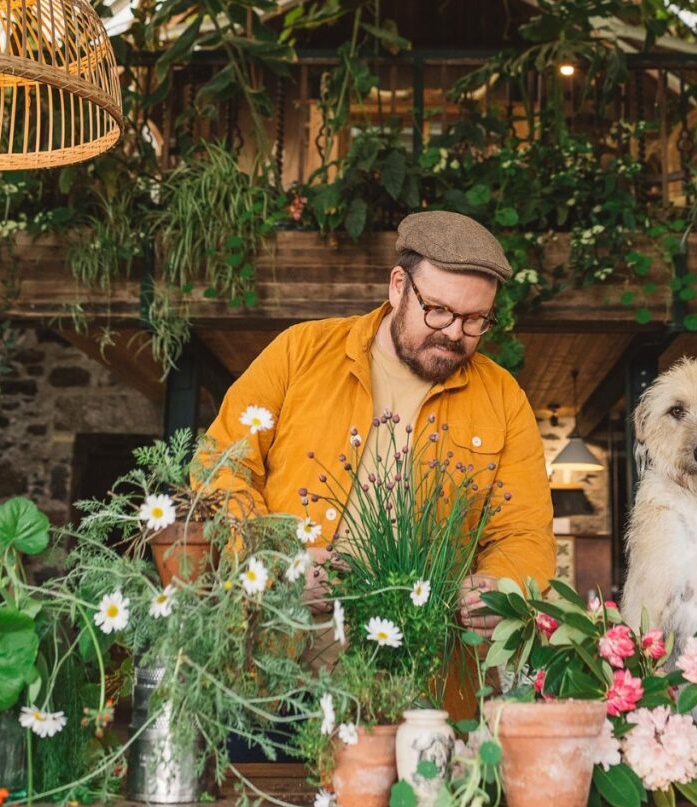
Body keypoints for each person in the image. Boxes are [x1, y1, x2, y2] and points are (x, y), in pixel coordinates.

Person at [198, 210, 555, 668]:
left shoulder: (503, 398)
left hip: (423, 675)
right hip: (270, 665)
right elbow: (221, 466)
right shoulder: (300, 351)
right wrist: (275, 563)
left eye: (475, 320)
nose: (453, 333)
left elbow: (524, 530)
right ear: (397, 286)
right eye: (439, 310)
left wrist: (502, 585)